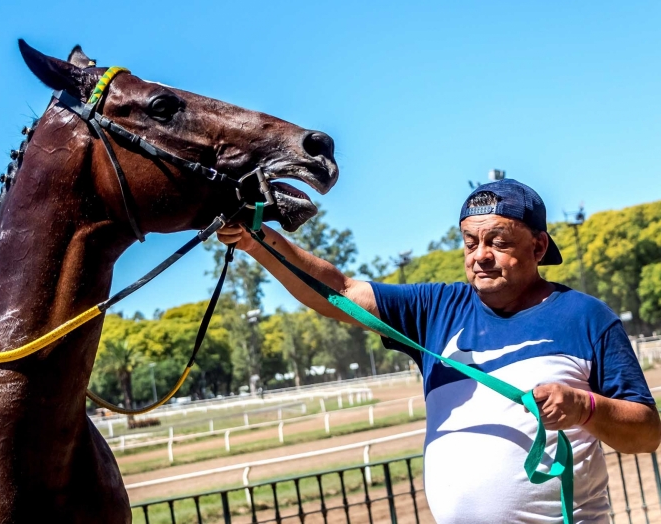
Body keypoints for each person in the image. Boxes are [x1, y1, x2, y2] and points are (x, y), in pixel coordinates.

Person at [217, 179, 661, 523]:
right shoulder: (435, 308)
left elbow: (646, 433)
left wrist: (585, 407)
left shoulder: (585, 316)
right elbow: (337, 290)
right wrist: (256, 240)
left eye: (498, 242)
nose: (480, 256)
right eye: (470, 242)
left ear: (538, 246)